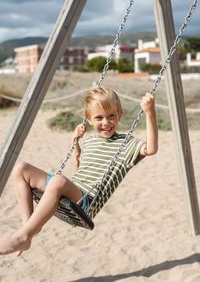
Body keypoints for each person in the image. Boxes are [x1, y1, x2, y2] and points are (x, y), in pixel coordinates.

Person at [0, 85, 158, 256]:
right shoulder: (90, 141)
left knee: (58, 181)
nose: (106, 122)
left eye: (111, 116)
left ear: (119, 115)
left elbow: (151, 148)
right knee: (21, 169)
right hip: (70, 189)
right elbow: (81, 169)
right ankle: (28, 227)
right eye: (98, 117)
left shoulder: (127, 143)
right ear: (88, 119)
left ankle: (23, 236)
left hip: (86, 201)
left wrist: (150, 113)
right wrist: (75, 144)